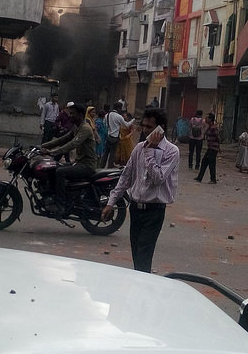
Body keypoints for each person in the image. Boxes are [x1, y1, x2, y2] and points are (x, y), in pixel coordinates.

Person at [101, 108, 179, 273]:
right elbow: (126, 177)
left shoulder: (171, 151)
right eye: (143, 126)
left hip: (154, 210)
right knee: (137, 254)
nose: (145, 130)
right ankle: (140, 282)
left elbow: (158, 178)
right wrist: (110, 203)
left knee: (144, 253)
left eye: (149, 127)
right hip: (136, 208)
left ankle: (143, 285)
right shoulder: (138, 148)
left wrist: (150, 151)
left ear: (161, 128)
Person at [40, 103, 97, 213]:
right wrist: (42, 146)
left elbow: (72, 144)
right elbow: (62, 139)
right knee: (52, 167)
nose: (69, 116)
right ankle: (53, 196)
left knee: (60, 172)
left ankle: (60, 204)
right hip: (79, 163)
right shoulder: (76, 127)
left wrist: (52, 152)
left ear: (80, 115)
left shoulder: (85, 128)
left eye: (72, 114)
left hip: (87, 165)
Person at [103, 102, 135, 168]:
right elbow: (126, 125)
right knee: (112, 154)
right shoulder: (118, 116)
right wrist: (132, 120)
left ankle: (101, 167)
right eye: (120, 108)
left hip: (108, 137)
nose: (121, 110)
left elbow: (105, 124)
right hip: (115, 138)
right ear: (118, 108)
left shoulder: (107, 115)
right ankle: (109, 168)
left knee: (105, 154)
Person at [194, 113, 219, 184]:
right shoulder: (210, 127)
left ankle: (213, 179)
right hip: (210, 148)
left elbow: (218, 137)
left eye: (207, 118)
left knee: (211, 163)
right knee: (204, 162)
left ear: (210, 119)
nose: (206, 119)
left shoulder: (213, 128)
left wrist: (217, 146)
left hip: (213, 148)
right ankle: (200, 177)